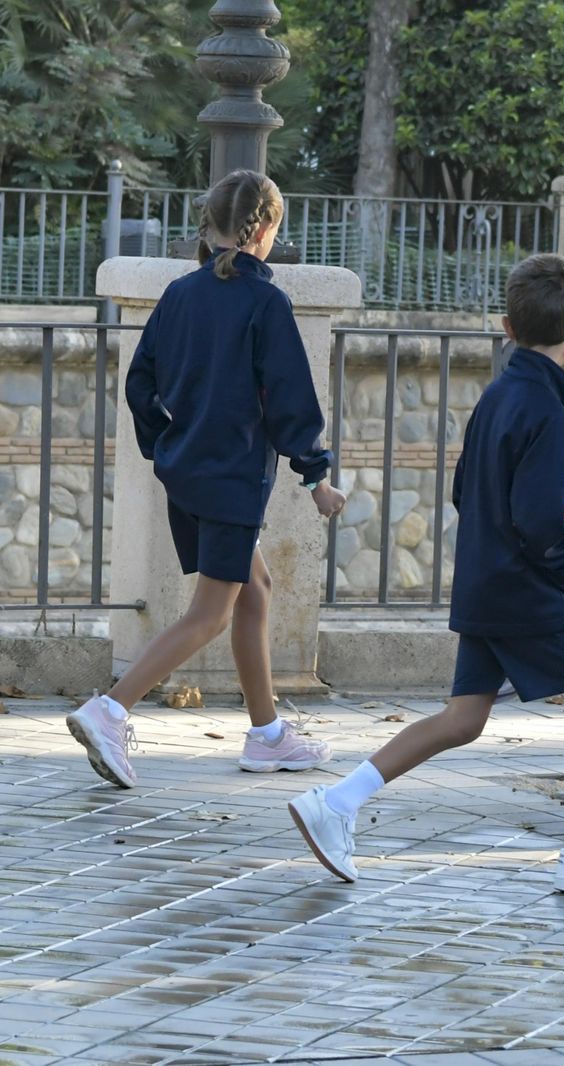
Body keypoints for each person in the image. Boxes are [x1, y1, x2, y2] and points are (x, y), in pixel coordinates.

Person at [288, 253, 564, 895]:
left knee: (464, 719)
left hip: (487, 583)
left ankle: (335, 803)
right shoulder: (548, 411)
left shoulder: (496, 397)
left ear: (506, 328)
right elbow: (542, 523)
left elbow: (464, 490)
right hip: (528, 591)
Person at [65, 169, 346, 788]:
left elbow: (140, 383)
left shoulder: (179, 294)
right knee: (211, 614)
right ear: (265, 231)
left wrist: (165, 445)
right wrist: (317, 477)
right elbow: (289, 399)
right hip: (230, 478)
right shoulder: (265, 302)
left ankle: (267, 735)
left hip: (188, 472)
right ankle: (109, 710)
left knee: (256, 588)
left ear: (211, 225)